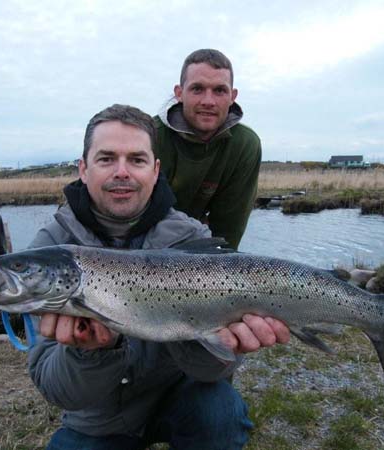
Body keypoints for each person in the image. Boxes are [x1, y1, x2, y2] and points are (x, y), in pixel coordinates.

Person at [27, 104, 290, 450]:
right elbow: (57, 390)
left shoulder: (193, 239)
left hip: (181, 396)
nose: (122, 172)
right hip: (98, 420)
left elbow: (213, 372)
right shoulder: (52, 250)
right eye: (106, 159)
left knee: (220, 413)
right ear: (83, 170)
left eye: (136, 160)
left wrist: (224, 343)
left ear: (155, 170)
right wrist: (90, 353)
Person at [155, 49, 261, 250]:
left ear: (233, 96)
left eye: (220, 90)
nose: (208, 101)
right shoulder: (149, 136)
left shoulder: (245, 145)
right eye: (197, 89)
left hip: (202, 257)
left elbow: (229, 231)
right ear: (179, 93)